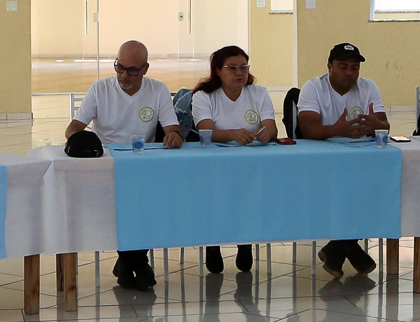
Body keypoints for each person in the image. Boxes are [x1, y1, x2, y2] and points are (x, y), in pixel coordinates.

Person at [67, 40, 183, 290]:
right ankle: (139, 262)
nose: (123, 75)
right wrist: (85, 143)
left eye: (132, 70)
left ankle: (128, 262)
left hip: (144, 164)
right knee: (123, 208)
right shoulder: (100, 89)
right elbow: (73, 128)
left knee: (147, 207)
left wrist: (174, 136)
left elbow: (173, 128)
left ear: (145, 69)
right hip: (107, 163)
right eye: (119, 68)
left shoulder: (158, 90)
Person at [296, 42, 390, 278]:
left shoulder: (368, 87)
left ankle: (336, 248)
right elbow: (307, 130)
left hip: (361, 159)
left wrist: (375, 125)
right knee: (351, 193)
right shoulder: (313, 88)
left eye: (355, 68)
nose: (350, 73)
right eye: (343, 66)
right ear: (329, 66)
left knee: (381, 188)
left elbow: (385, 126)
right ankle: (345, 248)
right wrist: (337, 129)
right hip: (322, 161)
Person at [191, 44, 278, 273]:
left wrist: (267, 133)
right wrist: (232, 134)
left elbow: (271, 127)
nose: (240, 73)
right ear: (218, 71)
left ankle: (245, 242)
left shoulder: (258, 93)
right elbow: (205, 133)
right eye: (232, 68)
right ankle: (212, 243)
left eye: (244, 67)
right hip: (214, 164)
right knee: (216, 199)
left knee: (249, 198)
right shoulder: (204, 96)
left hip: (250, 162)